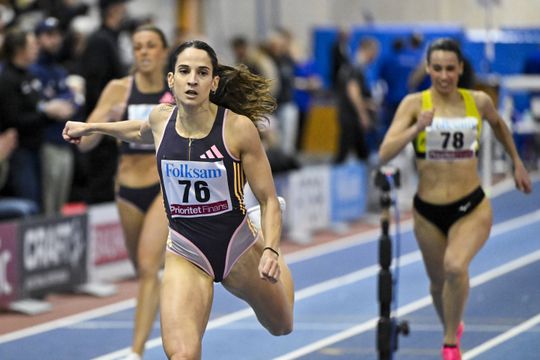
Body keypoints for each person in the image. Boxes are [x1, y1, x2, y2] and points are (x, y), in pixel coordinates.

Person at [63, 39, 294, 359]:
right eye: (184, 71)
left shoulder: (237, 128)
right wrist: (94, 127)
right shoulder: (161, 119)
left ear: (213, 82)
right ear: (171, 80)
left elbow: (269, 199)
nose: (192, 80)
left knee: (281, 325)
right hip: (187, 250)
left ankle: (258, 232)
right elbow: (139, 131)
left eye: (202, 73)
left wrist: (271, 249)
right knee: (181, 354)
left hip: (237, 245)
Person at [378, 38, 532, 360]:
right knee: (437, 284)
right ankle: (452, 325)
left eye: (450, 69)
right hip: (427, 211)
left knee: (454, 266)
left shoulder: (478, 101)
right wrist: (415, 129)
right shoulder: (413, 104)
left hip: (470, 206)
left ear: (460, 69)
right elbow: (384, 153)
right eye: (437, 69)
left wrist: (517, 162)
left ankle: (450, 344)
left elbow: (501, 126)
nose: (444, 76)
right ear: (428, 69)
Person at [73, 24, 171, 359]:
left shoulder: (175, 90)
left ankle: (135, 351)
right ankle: (163, 290)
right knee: (142, 269)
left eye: (150, 46)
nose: (143, 52)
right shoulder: (119, 89)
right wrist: (98, 126)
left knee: (147, 266)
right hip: (127, 191)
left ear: (163, 52)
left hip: (162, 189)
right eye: (138, 46)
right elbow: (86, 142)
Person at [31, 17, 79, 216]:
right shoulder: (33, 70)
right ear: (38, 39)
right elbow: (42, 105)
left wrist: (62, 104)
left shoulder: (59, 71)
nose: (55, 40)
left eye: (57, 35)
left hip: (64, 141)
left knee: (60, 202)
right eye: (49, 35)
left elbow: (73, 101)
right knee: (48, 202)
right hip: (46, 143)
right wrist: (52, 106)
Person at [334, 36, 379, 164]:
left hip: (350, 115)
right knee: (343, 153)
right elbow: (352, 92)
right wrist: (363, 115)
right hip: (351, 117)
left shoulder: (353, 66)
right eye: (375, 53)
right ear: (369, 50)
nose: (375, 57)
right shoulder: (355, 67)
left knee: (362, 153)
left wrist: (366, 104)